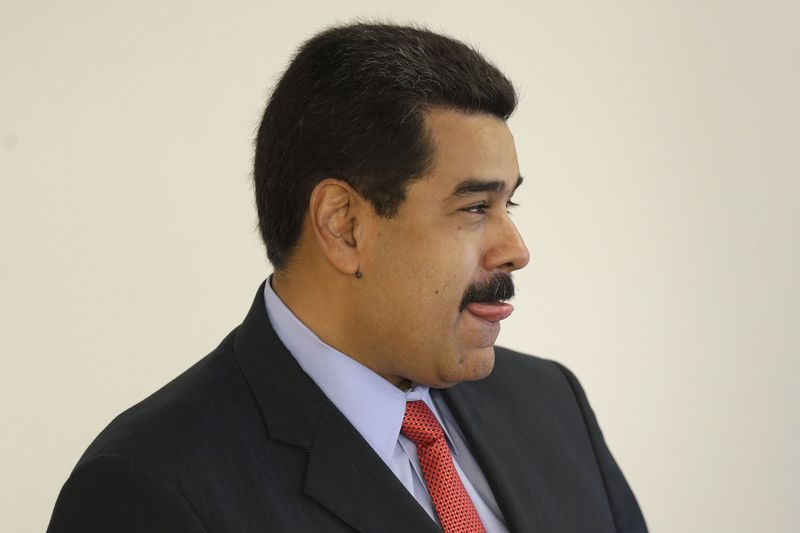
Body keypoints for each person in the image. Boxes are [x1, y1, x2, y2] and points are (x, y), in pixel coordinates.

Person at [47, 22, 647, 533]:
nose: (515, 250)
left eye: (507, 206)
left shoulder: (550, 403)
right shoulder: (149, 488)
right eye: (473, 208)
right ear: (343, 227)